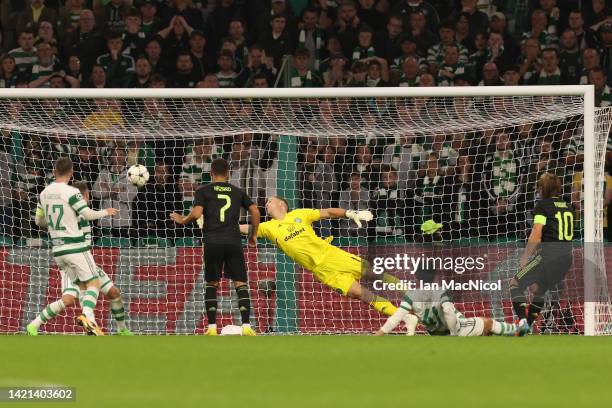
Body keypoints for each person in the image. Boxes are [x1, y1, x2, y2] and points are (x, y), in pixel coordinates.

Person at [239, 196, 401, 318]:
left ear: (281, 204)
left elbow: (328, 212)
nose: (266, 204)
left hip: (331, 255)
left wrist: (350, 213)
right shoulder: (268, 227)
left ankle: (410, 295)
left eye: (270, 201)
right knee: (361, 294)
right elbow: (244, 228)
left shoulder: (300, 214)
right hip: (321, 270)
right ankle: (403, 317)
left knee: (373, 274)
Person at [27, 181, 132, 336]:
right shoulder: (78, 213)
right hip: (74, 260)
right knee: (71, 298)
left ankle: (121, 329)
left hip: (82, 260)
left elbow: (43, 221)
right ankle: (34, 325)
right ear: (85, 195)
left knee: (113, 292)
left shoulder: (71, 212)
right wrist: (104, 212)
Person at [170, 158, 261, 336]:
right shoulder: (237, 191)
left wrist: (182, 220)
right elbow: (255, 211)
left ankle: (211, 327)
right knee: (240, 284)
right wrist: (253, 235)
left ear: (211, 173)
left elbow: (196, 214)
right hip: (234, 241)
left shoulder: (203, 190)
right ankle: (247, 326)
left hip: (212, 241)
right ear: (228, 174)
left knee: (212, 284)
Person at [511, 173, 574, 335]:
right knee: (540, 289)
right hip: (566, 258)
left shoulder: (542, 205)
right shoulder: (568, 206)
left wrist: (525, 256)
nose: (537, 190)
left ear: (543, 188)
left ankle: (522, 322)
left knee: (515, 284)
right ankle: (527, 327)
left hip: (549, 255)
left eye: (539, 187)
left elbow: (536, 233)